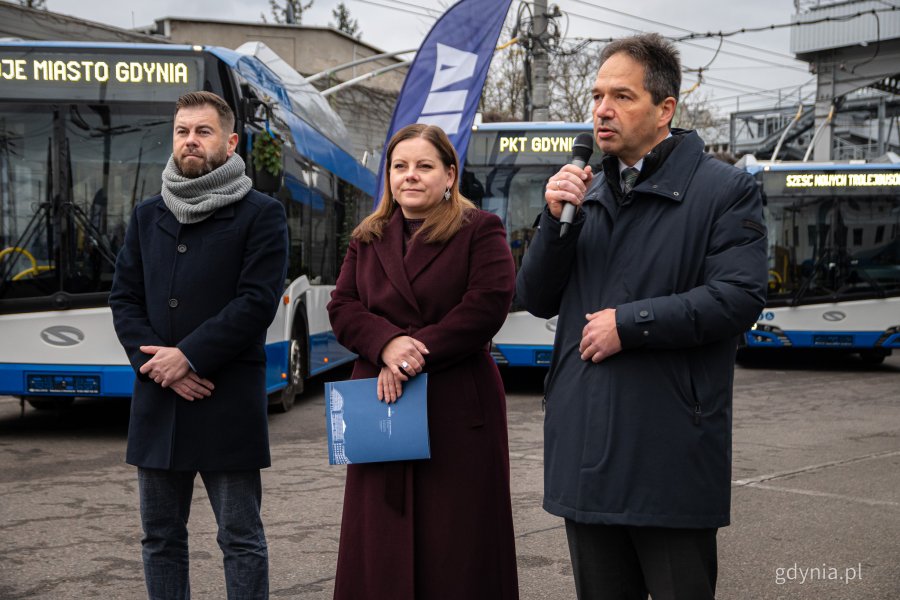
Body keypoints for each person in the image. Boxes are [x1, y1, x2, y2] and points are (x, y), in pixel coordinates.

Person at [516, 33, 768, 600]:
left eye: (622, 96)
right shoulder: (585, 191)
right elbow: (534, 296)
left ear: (665, 110)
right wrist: (556, 220)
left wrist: (629, 324)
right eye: (598, 95)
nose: (603, 109)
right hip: (585, 449)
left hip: (669, 453)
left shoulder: (724, 191)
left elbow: (738, 296)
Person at [327, 123, 519, 600]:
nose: (410, 176)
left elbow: (486, 306)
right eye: (400, 166)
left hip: (455, 406)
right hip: (380, 403)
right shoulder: (367, 236)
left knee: (458, 544)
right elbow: (343, 307)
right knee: (379, 540)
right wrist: (387, 344)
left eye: (424, 166)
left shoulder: (481, 229)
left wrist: (410, 355)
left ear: (450, 174)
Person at [109, 90, 288, 600]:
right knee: (159, 538)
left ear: (230, 142)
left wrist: (187, 357)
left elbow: (256, 302)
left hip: (224, 399)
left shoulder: (262, 213)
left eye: (203, 131)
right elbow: (124, 300)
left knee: (240, 537)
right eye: (182, 131)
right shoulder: (147, 216)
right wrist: (161, 367)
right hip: (159, 400)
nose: (190, 140)